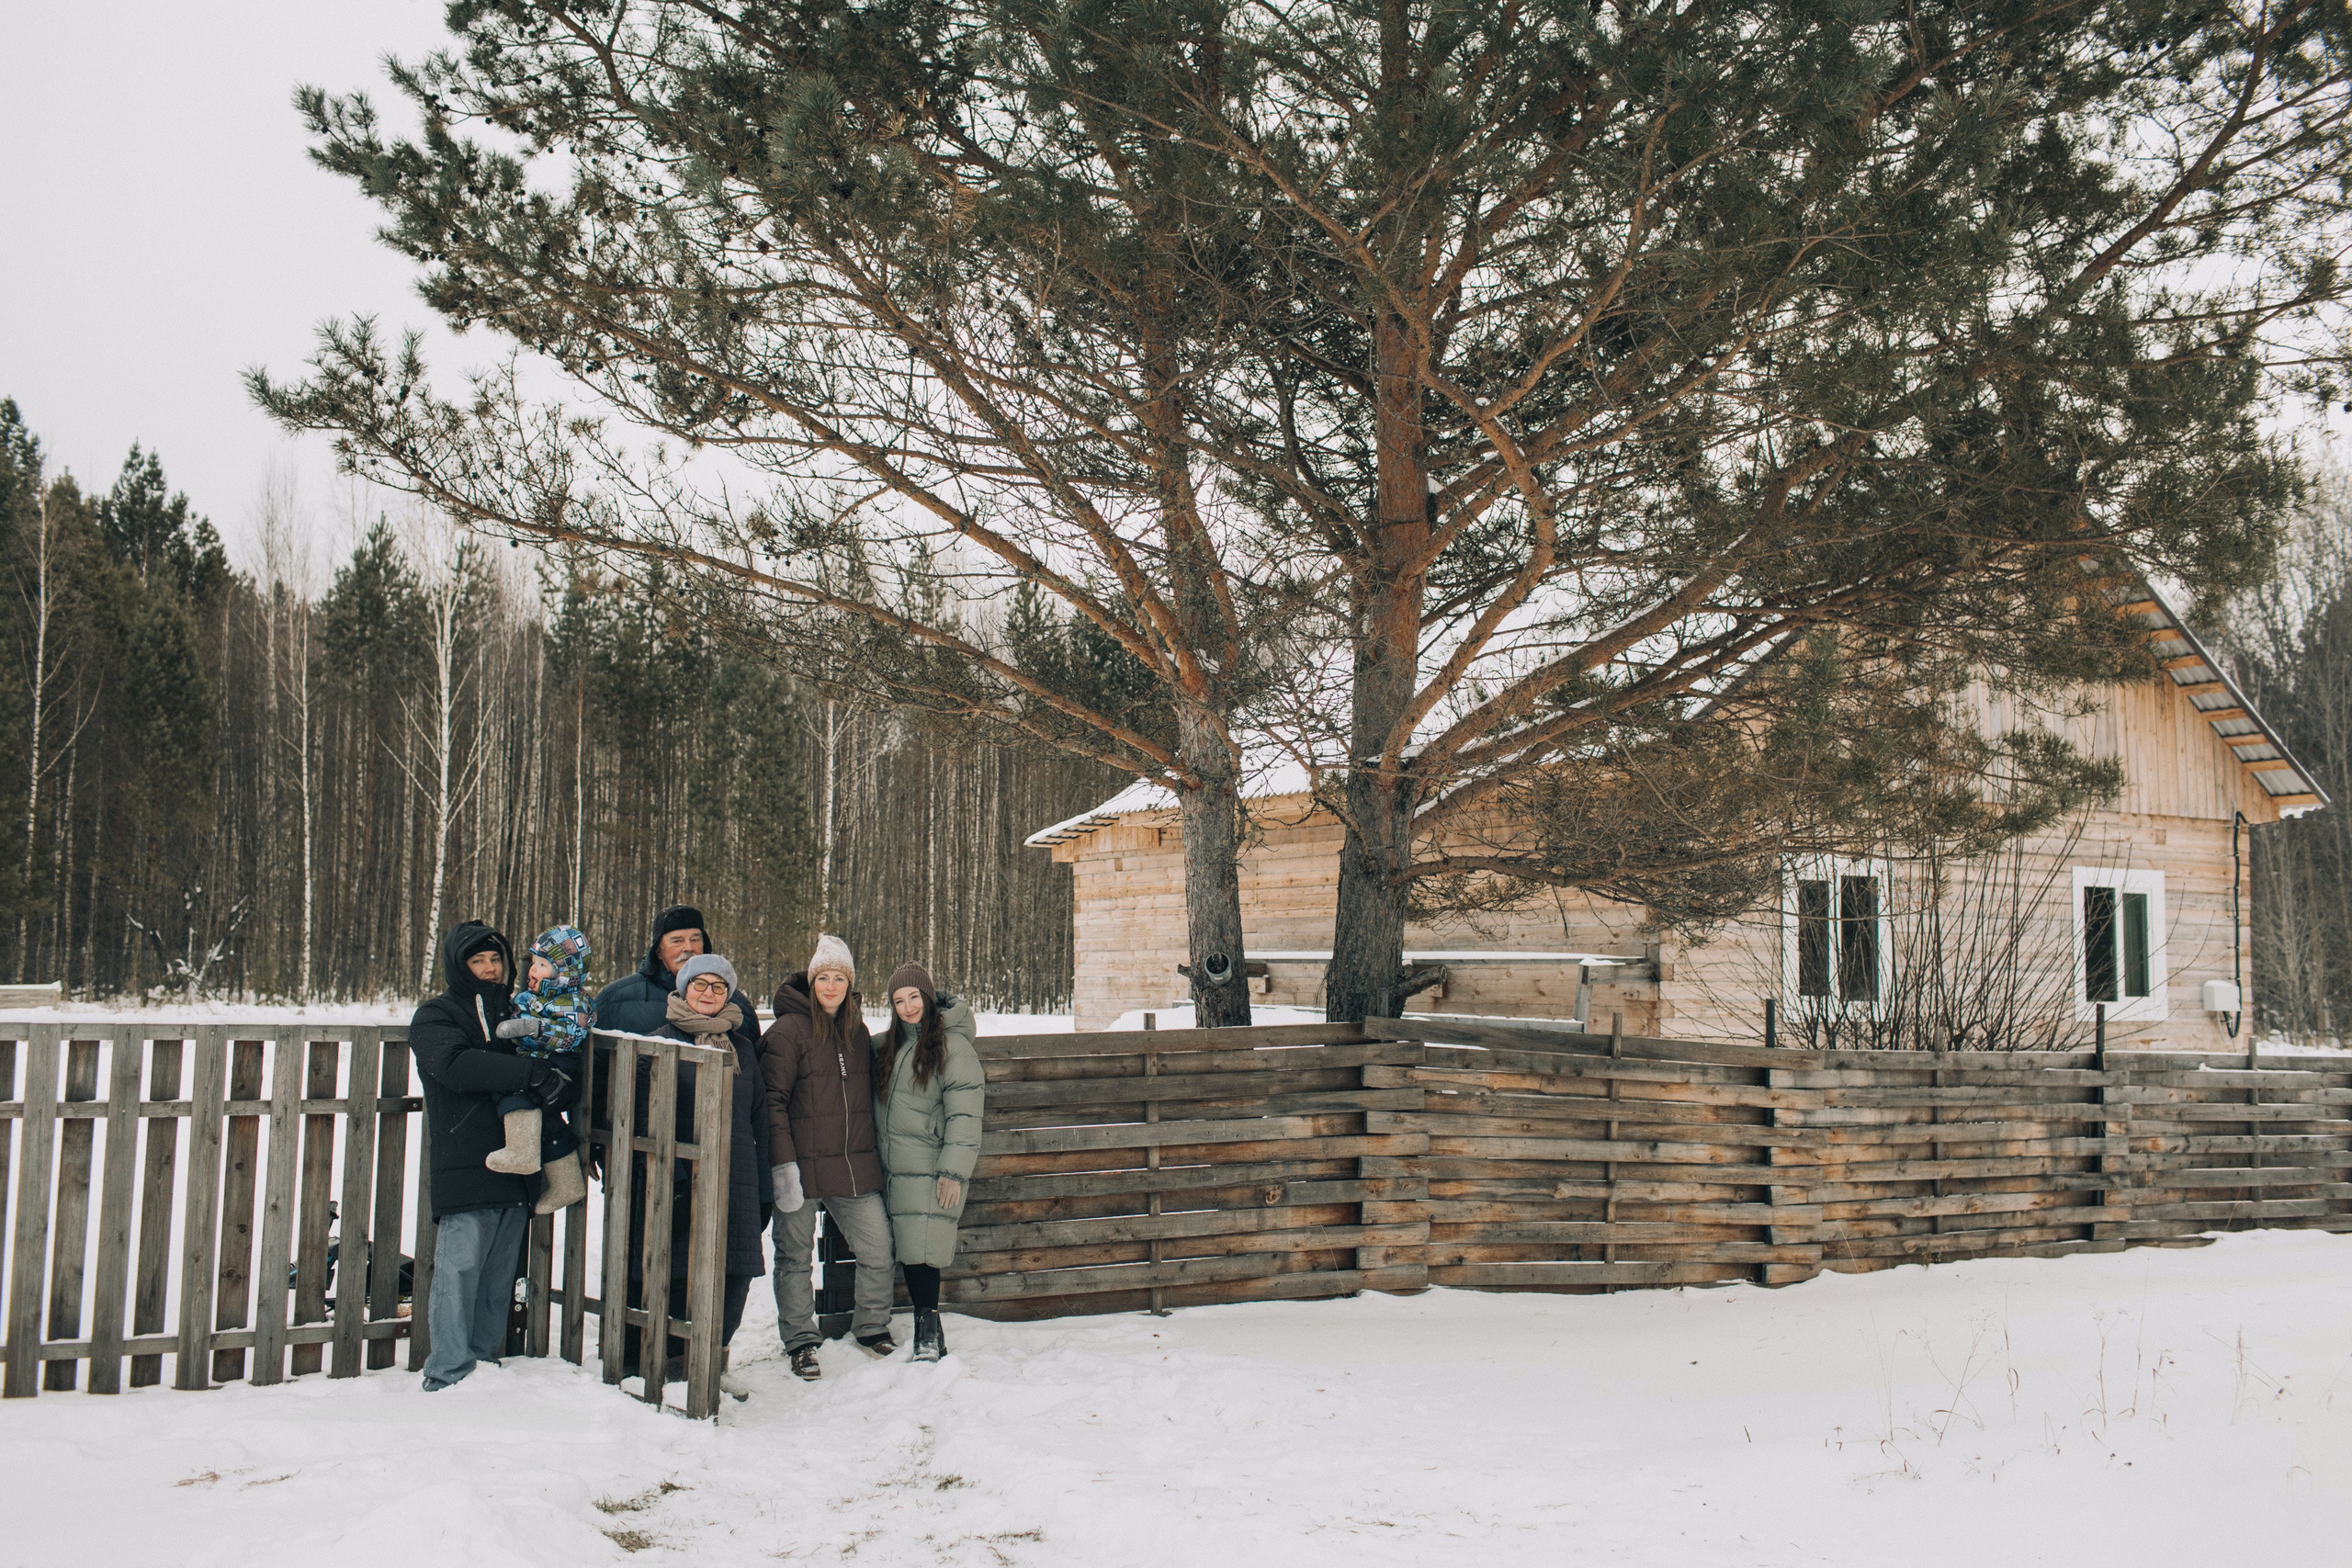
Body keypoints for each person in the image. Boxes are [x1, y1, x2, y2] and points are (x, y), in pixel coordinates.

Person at [410, 919, 580, 1392]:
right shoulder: (437, 1014)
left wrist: (553, 1076)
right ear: (458, 966)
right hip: (467, 1158)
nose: (489, 968)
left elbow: (557, 1056)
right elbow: (455, 1065)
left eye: (495, 959)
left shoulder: (522, 1008)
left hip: (518, 1163)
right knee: (459, 1270)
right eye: (477, 961)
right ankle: (447, 1372)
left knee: (499, 1275)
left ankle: (483, 1366)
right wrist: (528, 1072)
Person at [760, 933, 896, 1379]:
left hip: (851, 1167)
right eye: (824, 977)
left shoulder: (857, 1032)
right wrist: (783, 1167)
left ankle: (872, 1327)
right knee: (794, 1257)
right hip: (798, 1168)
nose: (832, 986)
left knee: (878, 1248)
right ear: (812, 979)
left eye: (840, 978)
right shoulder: (786, 1032)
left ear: (850, 983)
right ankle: (800, 1339)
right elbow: (772, 1103)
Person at [643, 953, 773, 1401]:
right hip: (683, 1179)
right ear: (682, 989)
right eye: (700, 985)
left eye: (719, 987)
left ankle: (715, 1360)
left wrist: (765, 1190)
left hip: (737, 1176)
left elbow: (759, 1119)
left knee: (735, 1273)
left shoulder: (742, 1048)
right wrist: (674, 1178)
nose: (708, 994)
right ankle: (680, 1368)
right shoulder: (661, 1040)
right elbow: (648, 1116)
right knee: (683, 1271)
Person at [875, 963, 985, 1363]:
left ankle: (927, 1330)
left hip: (931, 1165)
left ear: (928, 997)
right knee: (910, 1247)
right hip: (893, 1167)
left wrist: (953, 1171)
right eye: (898, 1001)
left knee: (924, 1250)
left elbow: (966, 1114)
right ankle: (929, 1329)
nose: (907, 1007)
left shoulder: (952, 1047)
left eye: (913, 998)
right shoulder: (890, 1045)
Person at [484, 923, 593, 1215]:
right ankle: (568, 1182)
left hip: (559, 1068)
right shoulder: (527, 998)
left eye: (543, 965)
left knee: (516, 1089)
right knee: (548, 1124)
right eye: (534, 962)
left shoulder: (575, 1003)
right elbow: (510, 1017)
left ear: (565, 973)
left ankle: (522, 1152)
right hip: (532, 1063)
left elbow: (570, 1034)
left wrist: (536, 1027)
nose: (533, 970)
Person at [594, 903, 753, 1037]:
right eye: (677, 941)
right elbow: (591, 1067)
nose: (689, 947)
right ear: (658, 951)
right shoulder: (614, 1000)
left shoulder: (737, 1005)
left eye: (695, 939)